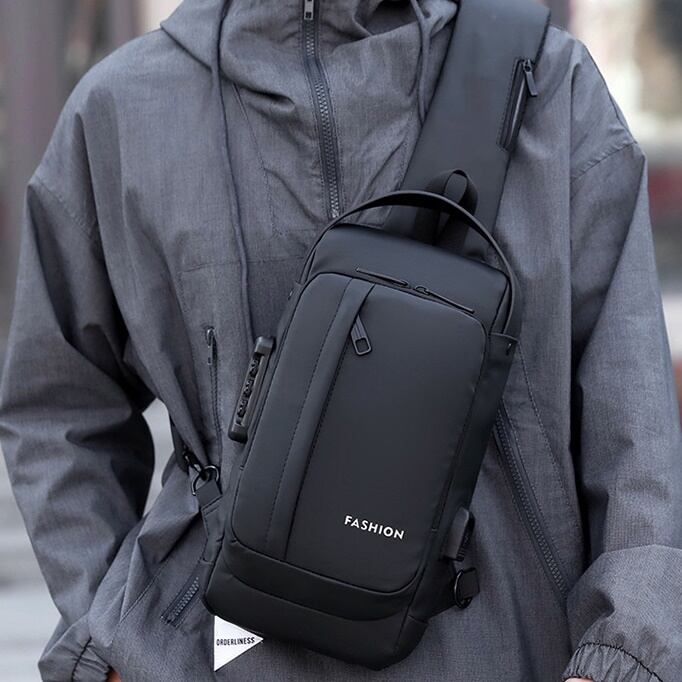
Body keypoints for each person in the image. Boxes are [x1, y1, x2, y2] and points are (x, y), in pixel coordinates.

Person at [1, 1, 681, 680]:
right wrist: (108, 645)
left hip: (516, 652)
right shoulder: (123, 110)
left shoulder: (548, 86)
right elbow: (58, 402)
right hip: (220, 658)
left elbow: (635, 425)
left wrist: (620, 656)